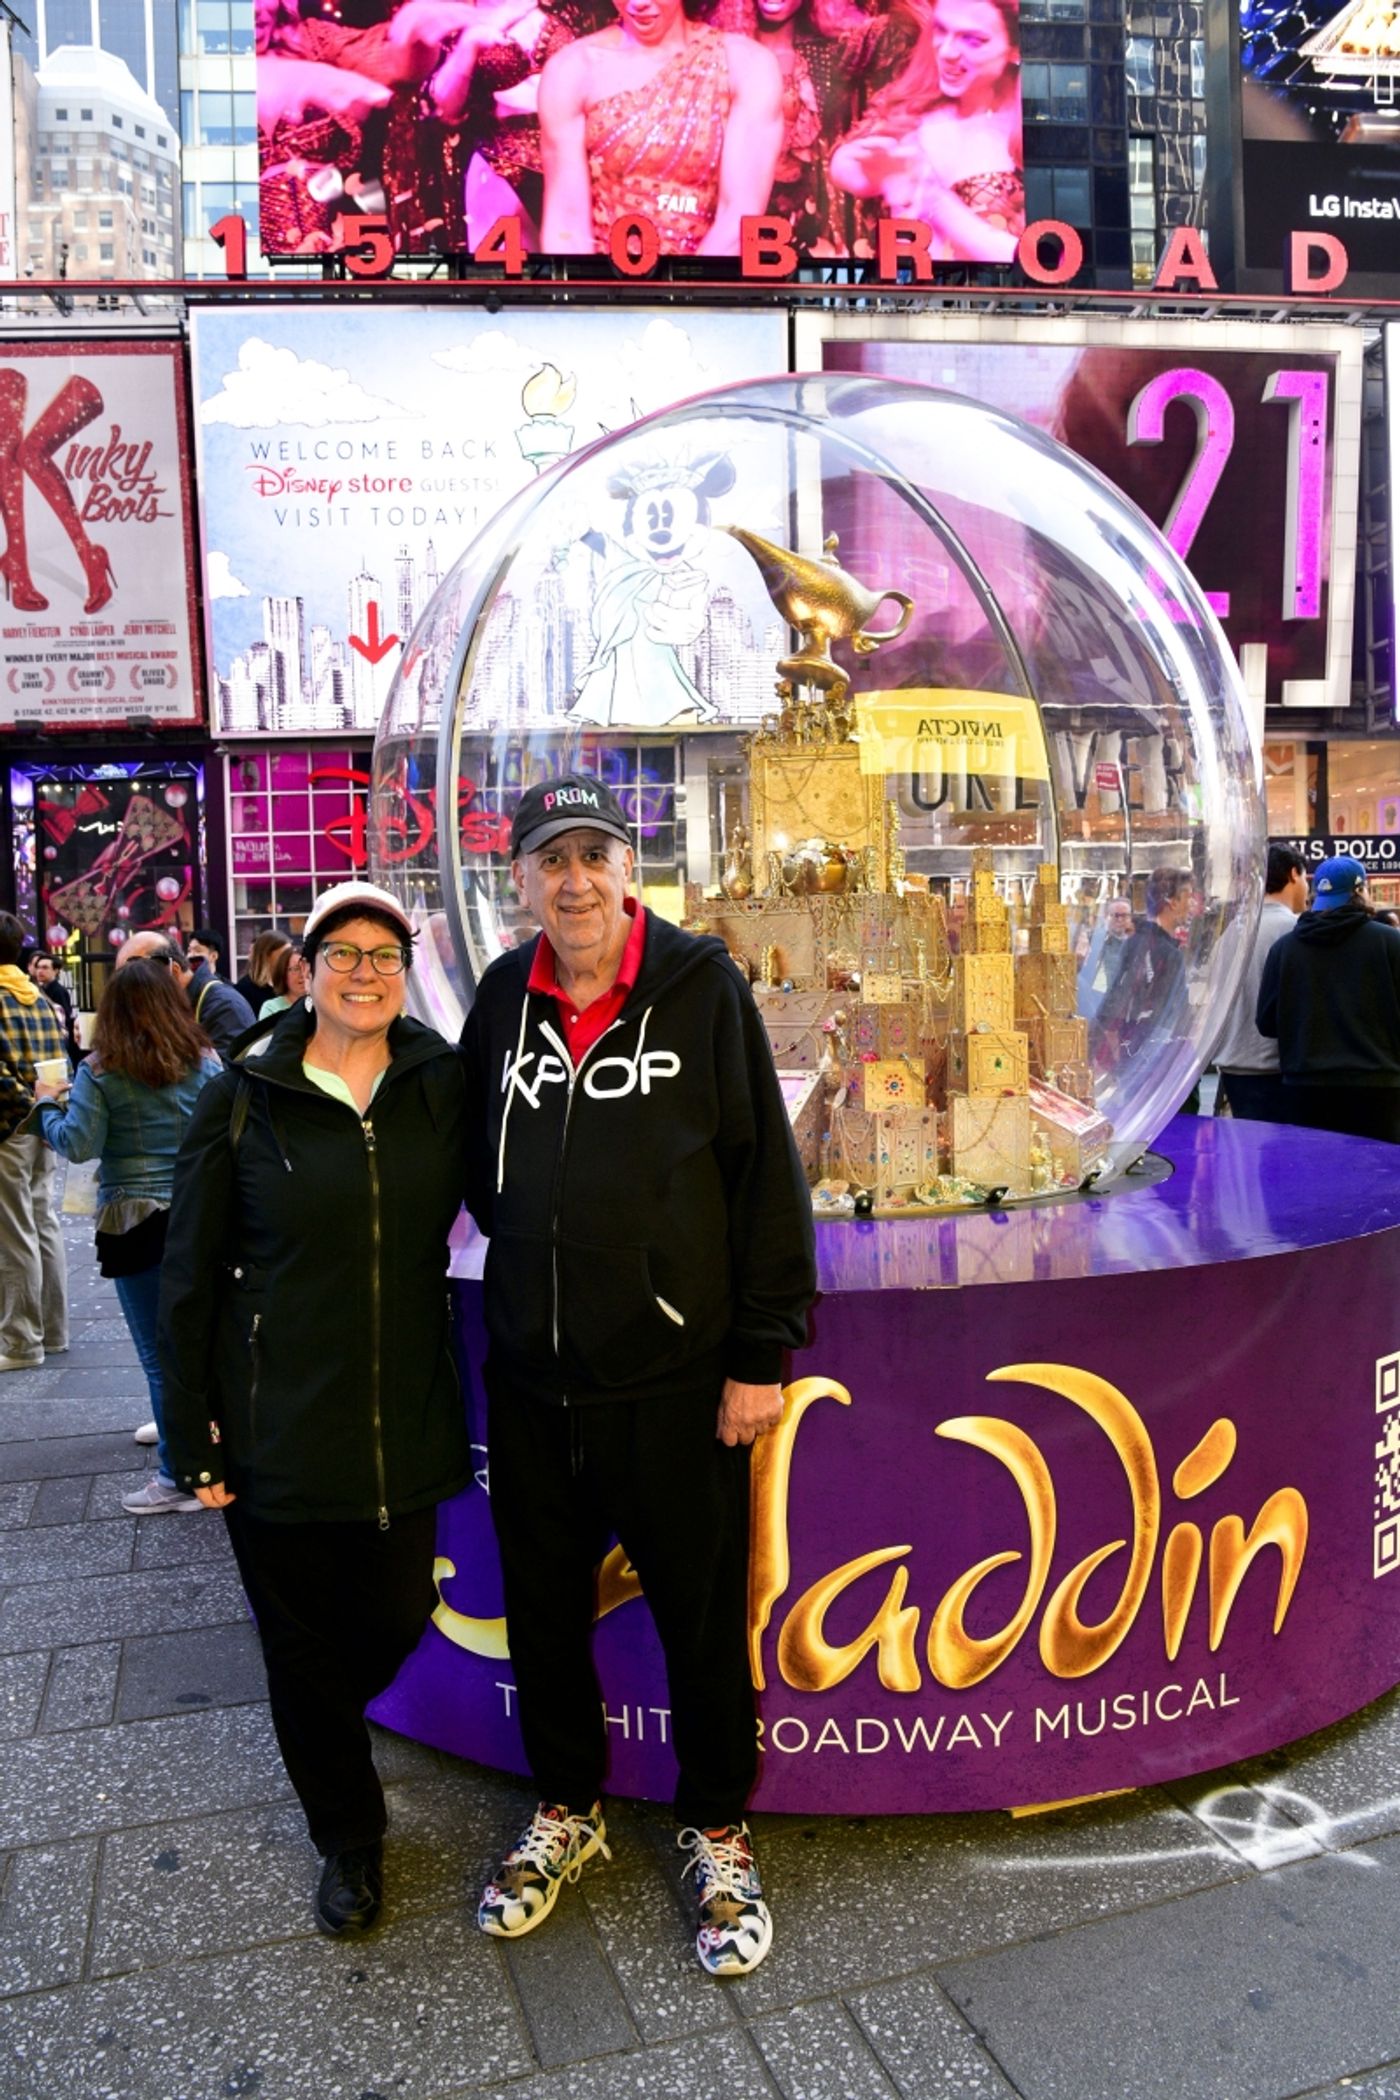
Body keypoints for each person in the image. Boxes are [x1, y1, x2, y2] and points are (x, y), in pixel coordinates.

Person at [460, 774, 815, 1979]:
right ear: (521, 879)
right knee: (543, 1616)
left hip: (671, 1381)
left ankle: (715, 1827)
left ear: (628, 870)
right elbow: (465, 1155)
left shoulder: (700, 986)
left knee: (700, 1625)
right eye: (550, 860)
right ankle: (568, 1807)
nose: (573, 882)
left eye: (593, 857)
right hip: (531, 1379)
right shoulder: (501, 998)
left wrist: (757, 1354)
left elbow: (762, 1178)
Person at [158, 880, 474, 1938]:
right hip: (276, 1421)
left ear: (407, 973)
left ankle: (326, 1727)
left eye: (385, 955)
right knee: (299, 1649)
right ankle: (348, 1834)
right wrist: (190, 1427)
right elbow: (188, 1274)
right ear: (304, 970)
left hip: (404, 1413)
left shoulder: (440, 1083)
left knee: (394, 1616)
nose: (364, 972)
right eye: (343, 953)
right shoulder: (244, 1093)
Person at [31, 961, 222, 1514]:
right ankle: (212, 1460)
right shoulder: (205, 1061)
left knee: (159, 1356)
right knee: (203, 1346)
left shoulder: (101, 1070)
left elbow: (79, 1144)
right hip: (201, 1216)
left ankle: (176, 1477)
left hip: (134, 1221)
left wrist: (46, 1103)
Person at [536, 0, 784, 254]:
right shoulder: (571, 70)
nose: (638, 4)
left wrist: (687, 280)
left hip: (710, 272)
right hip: (604, 274)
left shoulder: (746, 66)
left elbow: (739, 218)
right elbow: (566, 225)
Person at [829, 0, 1022, 261]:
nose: (947, 52)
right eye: (941, 30)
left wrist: (932, 197)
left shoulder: (1032, 124)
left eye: (973, 40)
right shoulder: (918, 114)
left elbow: (1037, 262)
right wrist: (875, 167)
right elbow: (847, 168)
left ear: (1014, 48)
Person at [1256, 853, 1400, 1144]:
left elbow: (1266, 1023)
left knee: (1315, 1167)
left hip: (1305, 1087)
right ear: (1360, 891)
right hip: (1378, 1086)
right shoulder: (1389, 942)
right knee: (1378, 1168)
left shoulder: (1284, 949)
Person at [0, 912, 68, 1371]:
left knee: (14, 1234)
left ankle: (22, 1341)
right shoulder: (37, 995)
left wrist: (28, 1105)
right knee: (43, 1222)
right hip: (41, 1124)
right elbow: (59, 1060)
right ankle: (54, 1330)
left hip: (7, 1127)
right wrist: (46, 1110)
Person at [1212, 845, 1307, 1124]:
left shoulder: (1232, 932)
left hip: (1234, 1066)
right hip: (1277, 1068)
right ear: (1293, 874)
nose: (1306, 887)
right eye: (1305, 878)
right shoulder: (1295, 930)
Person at [1092, 867, 1194, 1067]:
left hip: (1140, 1051)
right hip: (1156, 1059)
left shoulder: (1140, 942)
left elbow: (1115, 998)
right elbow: (1167, 1014)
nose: (1192, 904)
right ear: (1172, 902)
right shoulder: (1165, 952)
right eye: (1188, 897)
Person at [117, 930, 257, 1060]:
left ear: (173, 971)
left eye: (136, 981)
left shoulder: (225, 1007)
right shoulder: (165, 1004)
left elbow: (223, 1074)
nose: (128, 993)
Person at [1075, 895, 1135, 1022]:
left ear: (1130, 917)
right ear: (1108, 916)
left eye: (1124, 916)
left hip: (1126, 1007)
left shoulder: (1138, 943)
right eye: (1116, 916)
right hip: (1097, 1003)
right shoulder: (1093, 939)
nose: (1120, 920)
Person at [27, 950, 81, 1066]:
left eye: (45, 967)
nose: (40, 971)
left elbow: (64, 1019)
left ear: (55, 971)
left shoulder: (58, 991)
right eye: (38, 967)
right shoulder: (39, 989)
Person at [235, 930, 293, 1014]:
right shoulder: (244, 990)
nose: (289, 958)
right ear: (266, 956)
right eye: (284, 954)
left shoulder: (288, 985)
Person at [259, 939, 311, 1019]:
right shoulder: (271, 1008)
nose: (303, 974)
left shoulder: (322, 1004)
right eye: (296, 969)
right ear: (283, 973)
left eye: (306, 968)